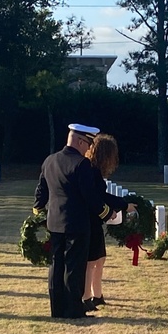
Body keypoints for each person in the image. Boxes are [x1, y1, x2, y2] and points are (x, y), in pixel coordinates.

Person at [34, 123, 116, 319]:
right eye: (88, 143)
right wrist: (107, 213)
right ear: (79, 141)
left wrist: (38, 211)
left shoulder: (50, 160)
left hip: (55, 222)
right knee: (74, 267)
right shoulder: (81, 164)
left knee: (56, 266)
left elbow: (41, 192)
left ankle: (57, 309)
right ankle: (73, 310)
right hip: (77, 224)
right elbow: (90, 196)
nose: (89, 148)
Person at [83, 134, 134, 311]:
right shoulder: (90, 170)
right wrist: (124, 205)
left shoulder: (94, 170)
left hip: (95, 220)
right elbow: (99, 196)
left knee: (100, 258)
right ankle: (86, 297)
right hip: (89, 218)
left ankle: (97, 294)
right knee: (90, 261)